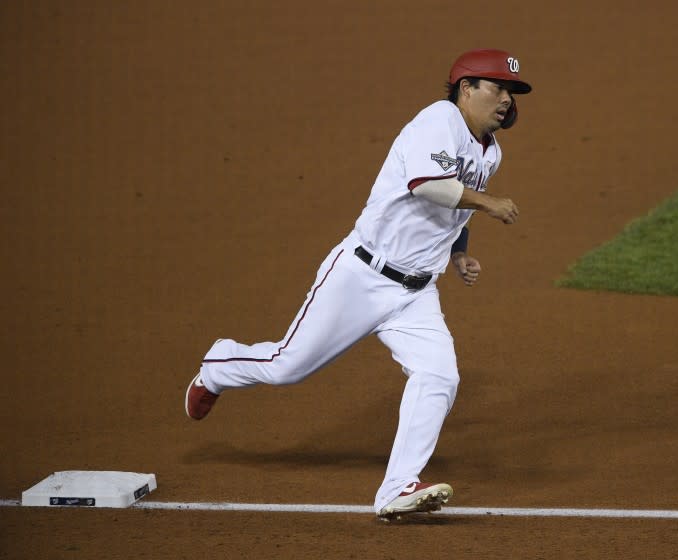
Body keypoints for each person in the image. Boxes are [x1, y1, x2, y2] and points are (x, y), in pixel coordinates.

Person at [185, 48, 532, 520]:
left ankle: (396, 488)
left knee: (439, 376)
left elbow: (455, 209)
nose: (507, 99)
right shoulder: (439, 120)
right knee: (289, 367)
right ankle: (218, 365)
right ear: (466, 88)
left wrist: (459, 254)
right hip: (361, 275)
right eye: (497, 88)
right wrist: (490, 202)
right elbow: (426, 184)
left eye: (511, 91)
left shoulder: (490, 152)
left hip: (415, 294)